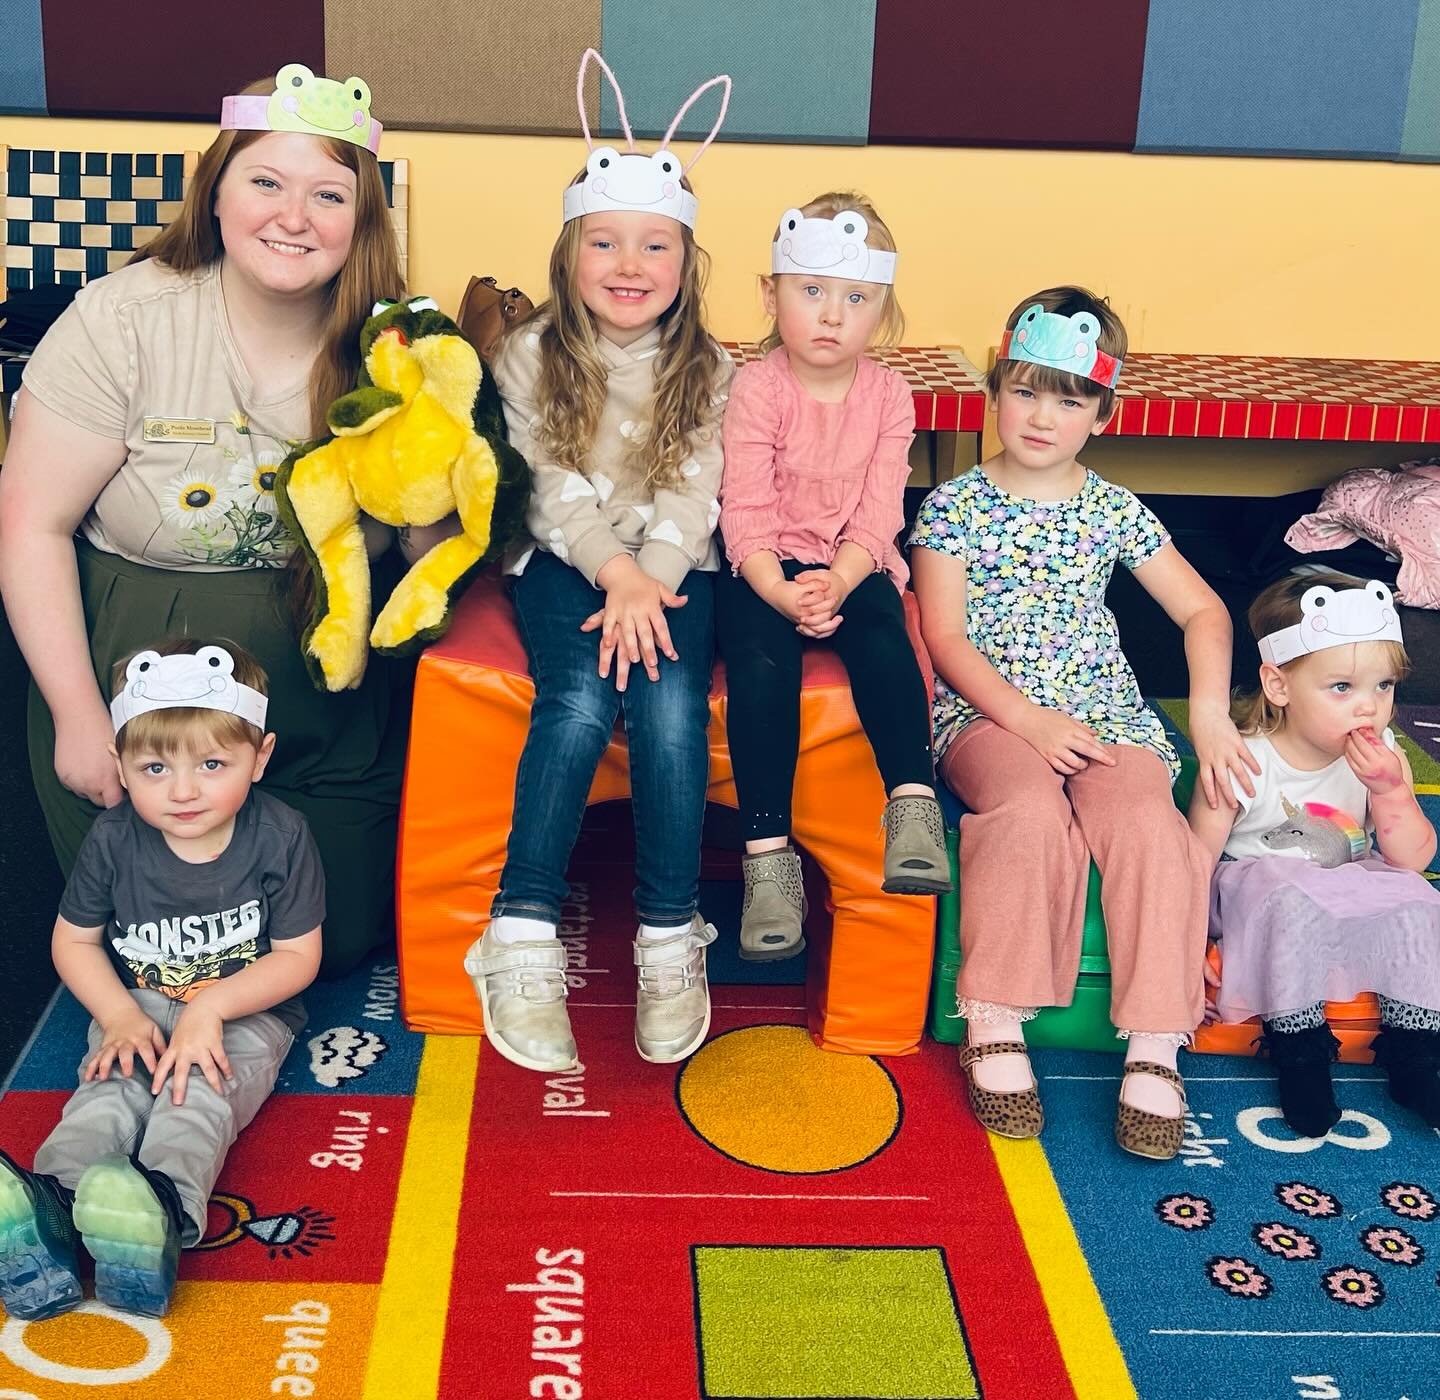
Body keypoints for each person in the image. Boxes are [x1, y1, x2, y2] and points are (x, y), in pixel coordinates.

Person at [0, 64, 434, 978]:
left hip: (322, 677)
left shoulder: (394, 347)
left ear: (361, 218)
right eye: (265, 181)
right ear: (217, 189)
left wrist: (434, 483)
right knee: (150, 953)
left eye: (328, 193)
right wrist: (81, 718)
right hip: (134, 667)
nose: (293, 216)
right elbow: (32, 526)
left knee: (333, 938)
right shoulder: (124, 320)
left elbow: (426, 555)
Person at [910, 286, 1256, 1160]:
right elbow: (945, 638)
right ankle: (994, 1015)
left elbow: (1205, 614)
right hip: (988, 715)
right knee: (1028, 813)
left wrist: (1209, 720)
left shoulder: (1110, 509)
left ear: (1102, 412)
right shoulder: (953, 507)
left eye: (1069, 398)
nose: (1042, 415)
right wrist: (1027, 721)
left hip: (1105, 714)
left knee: (1148, 820)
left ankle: (1154, 1039)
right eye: (1025, 390)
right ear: (993, 393)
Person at [464, 52, 733, 1072]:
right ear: (571, 254)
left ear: (685, 259)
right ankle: (520, 928)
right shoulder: (529, 355)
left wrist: (651, 574)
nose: (630, 262)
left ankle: (671, 935)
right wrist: (612, 576)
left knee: (666, 708)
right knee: (577, 705)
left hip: (674, 568)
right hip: (565, 560)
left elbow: (694, 491)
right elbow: (546, 480)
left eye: (654, 244)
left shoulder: (711, 366)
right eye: (606, 242)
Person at [0, 638, 322, 1321]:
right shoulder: (115, 838)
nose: (183, 790)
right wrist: (117, 1014)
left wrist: (214, 1007)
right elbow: (75, 940)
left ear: (259, 757)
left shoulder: (282, 835)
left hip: (244, 1015)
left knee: (195, 1096)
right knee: (108, 1090)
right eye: (153, 767)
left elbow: (298, 956)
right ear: (120, 763)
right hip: (139, 1003)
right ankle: (51, 1210)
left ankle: (158, 1215)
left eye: (212, 764)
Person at [716, 193, 948, 962]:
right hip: (763, 563)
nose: (830, 315)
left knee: (886, 640)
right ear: (771, 293)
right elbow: (742, 506)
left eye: (855, 299)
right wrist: (781, 591)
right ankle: (768, 860)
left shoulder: (888, 395)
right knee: (759, 668)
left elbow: (881, 510)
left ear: (881, 310)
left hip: (854, 559)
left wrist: (843, 582)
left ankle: (912, 807)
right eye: (811, 291)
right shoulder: (757, 389)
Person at [1190, 572, 1440, 1136]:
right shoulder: (1242, 762)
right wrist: (1188, 951)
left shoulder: (1386, 755)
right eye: (1343, 688)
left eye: (1383, 687)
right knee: (1290, 899)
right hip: (1260, 893)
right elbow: (1193, 864)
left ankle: (1415, 1053)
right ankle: (1300, 1054)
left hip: (1348, 881)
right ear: (1279, 686)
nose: (1370, 709)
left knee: (1417, 898)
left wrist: (1391, 790)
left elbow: (1413, 858)